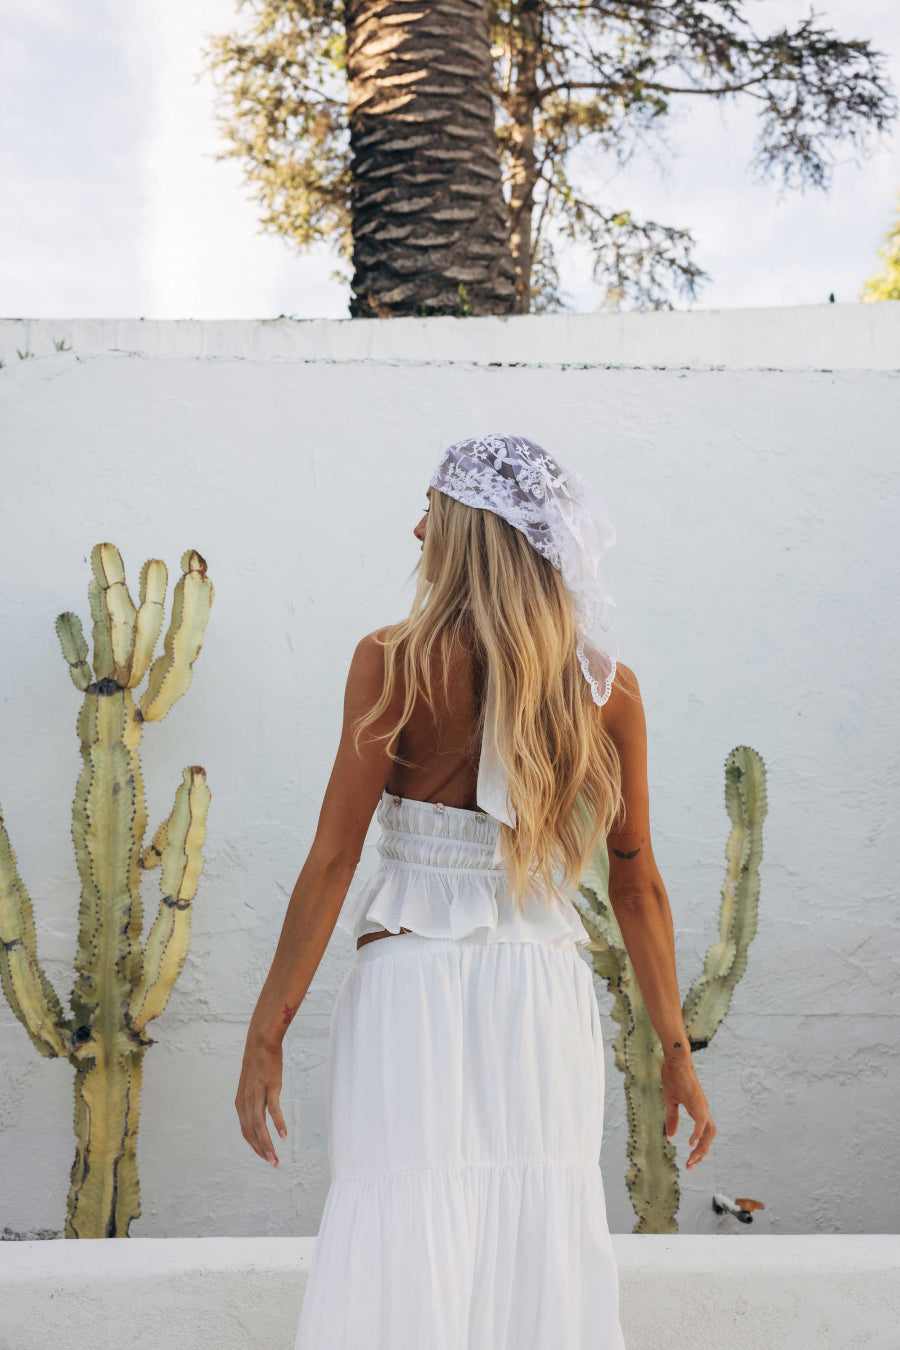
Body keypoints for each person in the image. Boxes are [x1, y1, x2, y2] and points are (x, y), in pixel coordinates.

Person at [236, 433, 715, 1349]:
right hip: (539, 993)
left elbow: (334, 859)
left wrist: (268, 1030)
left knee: (404, 1224)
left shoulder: (393, 661)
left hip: (413, 984)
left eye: (433, 510)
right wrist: (676, 1054)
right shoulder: (608, 692)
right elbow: (637, 883)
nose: (417, 527)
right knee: (539, 1228)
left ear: (474, 533)